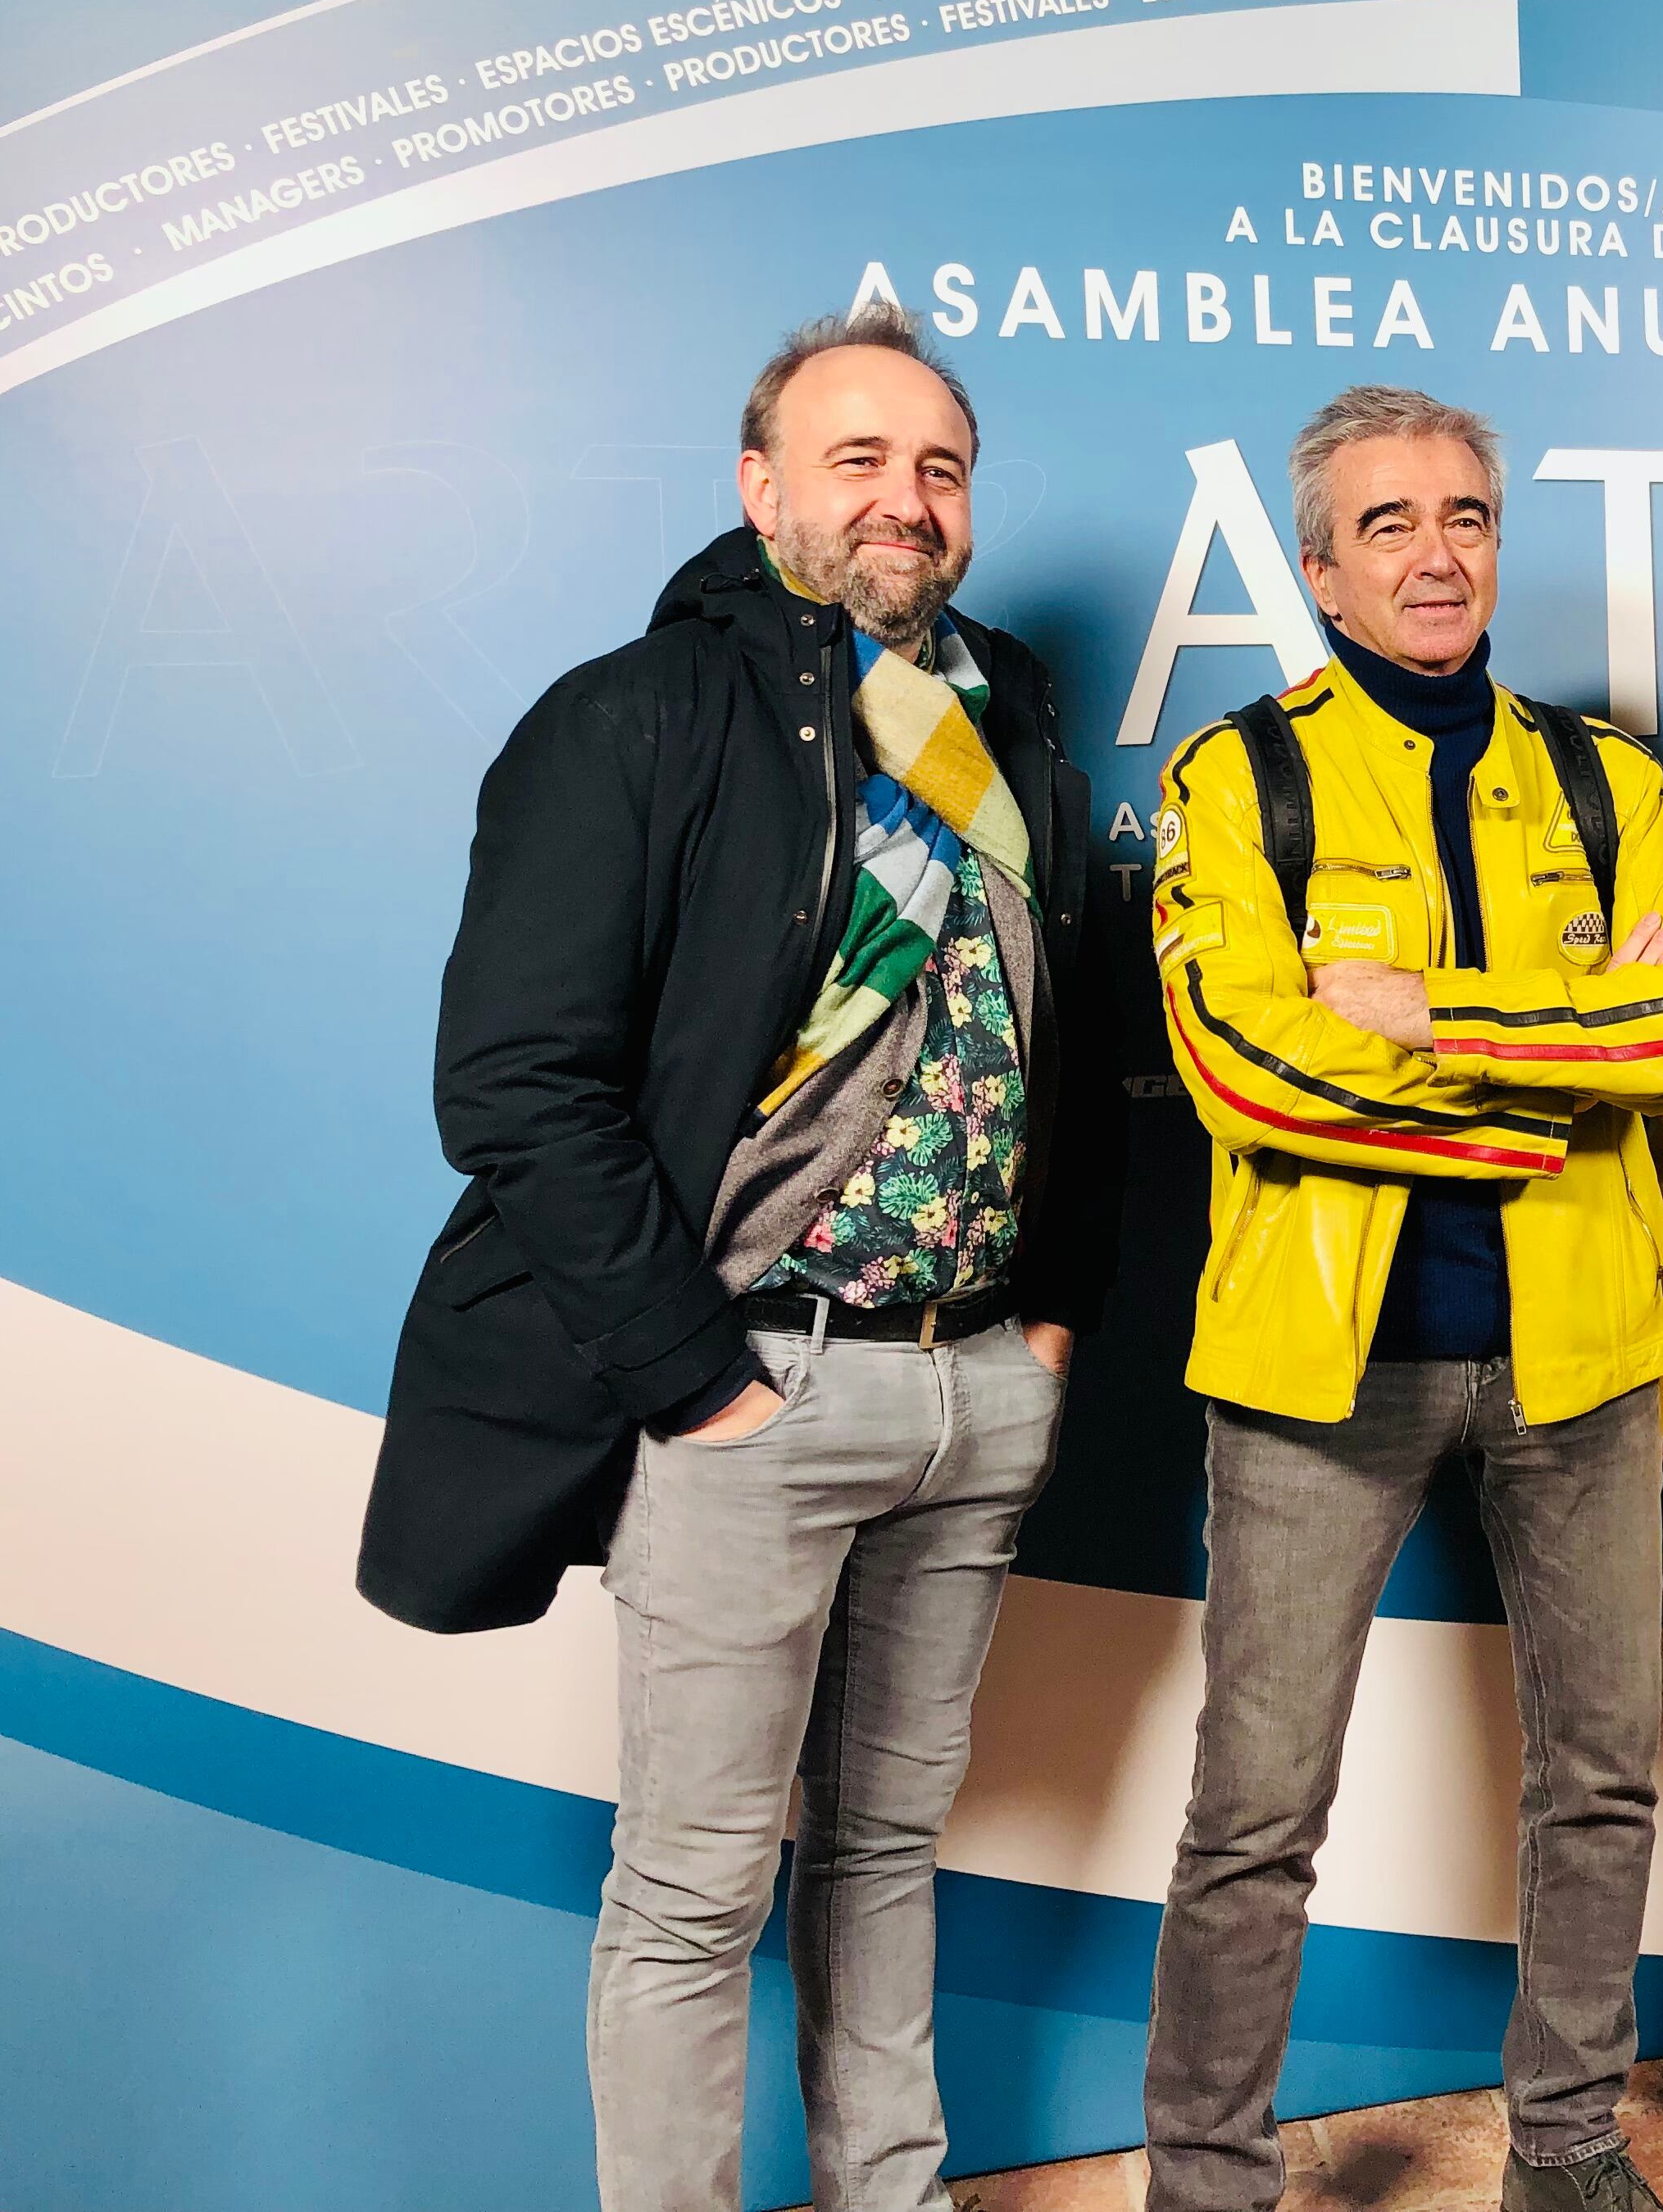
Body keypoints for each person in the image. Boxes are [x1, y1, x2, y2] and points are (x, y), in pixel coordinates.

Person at [357, 305, 1118, 2212]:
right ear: (760, 483)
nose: (906, 499)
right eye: (857, 458)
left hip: (970, 1391)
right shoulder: (637, 714)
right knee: (696, 1895)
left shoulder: (1006, 715)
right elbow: (518, 1085)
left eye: (938, 466)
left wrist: (1048, 1323)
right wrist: (696, 1383)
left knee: (884, 1854)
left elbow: (1074, 1036)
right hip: (752, 1391)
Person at [1142, 384, 1663, 2212]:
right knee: (1255, 1820)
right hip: (1316, 1371)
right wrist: (1570, 1064)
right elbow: (1248, 1072)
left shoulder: (1609, 778)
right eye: (1391, 523)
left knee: (1605, 1782)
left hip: (1582, 1361)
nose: (1438, 552)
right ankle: (1207, 2183)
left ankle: (1566, 2149)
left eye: (1468, 516)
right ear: (1324, 573)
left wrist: (1431, 1021)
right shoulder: (1234, 777)